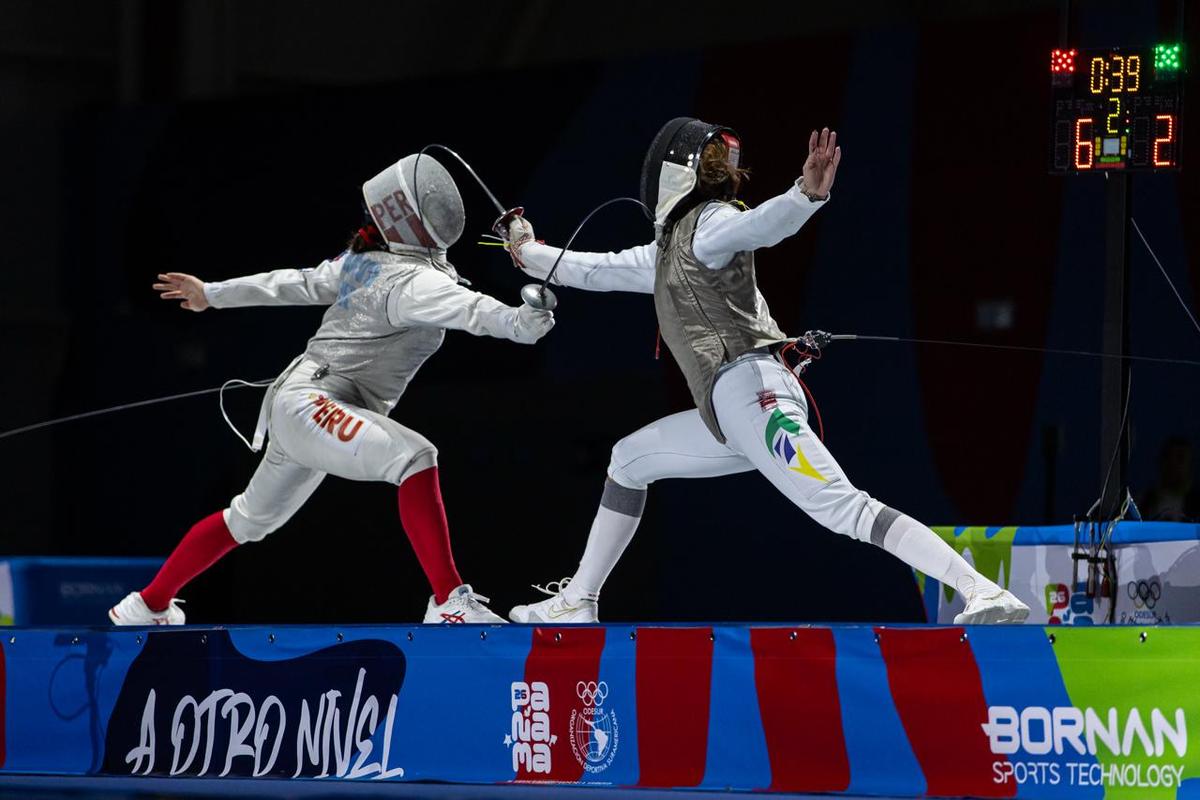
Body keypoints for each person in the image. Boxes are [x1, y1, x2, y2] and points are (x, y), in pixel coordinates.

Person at [502, 118, 1029, 625]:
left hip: (755, 398)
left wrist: (805, 195)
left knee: (843, 508)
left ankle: (980, 588)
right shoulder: (665, 253)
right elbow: (588, 268)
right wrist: (525, 249)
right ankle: (577, 599)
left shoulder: (709, 224)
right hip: (729, 413)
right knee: (629, 459)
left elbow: (759, 225)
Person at [109, 152, 554, 626]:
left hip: (303, 403)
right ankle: (449, 602)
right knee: (415, 457)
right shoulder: (408, 279)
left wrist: (212, 294)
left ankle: (148, 604)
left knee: (248, 520)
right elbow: (482, 314)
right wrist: (524, 321)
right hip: (314, 404)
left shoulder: (366, 263)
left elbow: (295, 282)